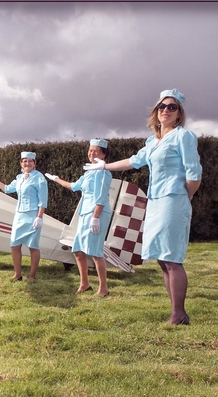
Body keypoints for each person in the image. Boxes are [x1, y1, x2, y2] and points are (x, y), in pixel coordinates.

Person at [84, 89, 202, 325]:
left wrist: (184, 196)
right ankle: (176, 312)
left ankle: (179, 314)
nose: (166, 110)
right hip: (156, 201)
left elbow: (194, 174)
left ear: (179, 114)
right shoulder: (153, 142)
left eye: (172, 107)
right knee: (161, 257)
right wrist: (104, 167)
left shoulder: (183, 136)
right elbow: (134, 161)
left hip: (173, 199)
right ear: (156, 112)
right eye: (162, 107)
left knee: (171, 258)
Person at [45, 139, 112, 296]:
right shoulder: (89, 172)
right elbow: (73, 186)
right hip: (85, 213)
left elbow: (101, 197)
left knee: (95, 252)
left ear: (103, 154)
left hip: (97, 213)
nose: (91, 153)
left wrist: (96, 217)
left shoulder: (103, 172)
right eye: (90, 150)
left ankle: (103, 288)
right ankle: (84, 284)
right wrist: (56, 179)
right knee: (77, 250)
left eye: (95, 151)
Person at [0, 151, 48, 280]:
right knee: (14, 244)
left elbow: (43, 200)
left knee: (33, 246)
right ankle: (17, 274)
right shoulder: (19, 177)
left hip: (32, 216)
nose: (27, 163)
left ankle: (32, 275)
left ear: (34, 164)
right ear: (21, 163)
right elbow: (8, 189)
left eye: (30, 161)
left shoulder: (39, 178)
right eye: (25, 161)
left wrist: (39, 217)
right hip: (19, 215)